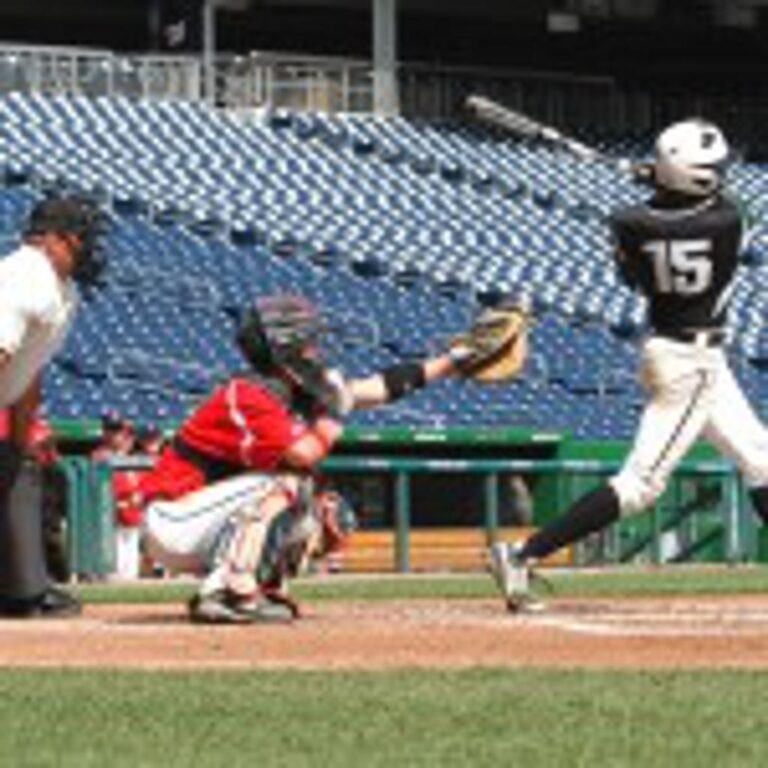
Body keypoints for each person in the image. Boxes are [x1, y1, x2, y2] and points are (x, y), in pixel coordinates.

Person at [490, 118, 768, 611]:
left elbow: (635, 268)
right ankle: (524, 554)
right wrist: (662, 180)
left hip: (671, 348)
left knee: (761, 459)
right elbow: (715, 205)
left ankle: (524, 555)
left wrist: (657, 183)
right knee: (641, 485)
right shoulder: (729, 220)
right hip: (692, 365)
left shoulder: (628, 222)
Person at [136, 294, 466, 623]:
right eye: (307, 341)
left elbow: (380, 387)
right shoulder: (248, 394)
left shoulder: (297, 392)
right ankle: (228, 591)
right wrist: (334, 411)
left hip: (206, 520)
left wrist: (454, 361)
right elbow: (303, 453)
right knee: (286, 481)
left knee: (318, 508)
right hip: (173, 520)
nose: (315, 349)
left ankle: (261, 585)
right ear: (284, 349)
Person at [0, 196, 107, 618]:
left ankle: (21, 590)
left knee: (19, 469)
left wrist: (20, 443)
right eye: (80, 237)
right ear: (53, 240)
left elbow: (28, 372)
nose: (88, 248)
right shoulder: (26, 276)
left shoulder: (59, 289)